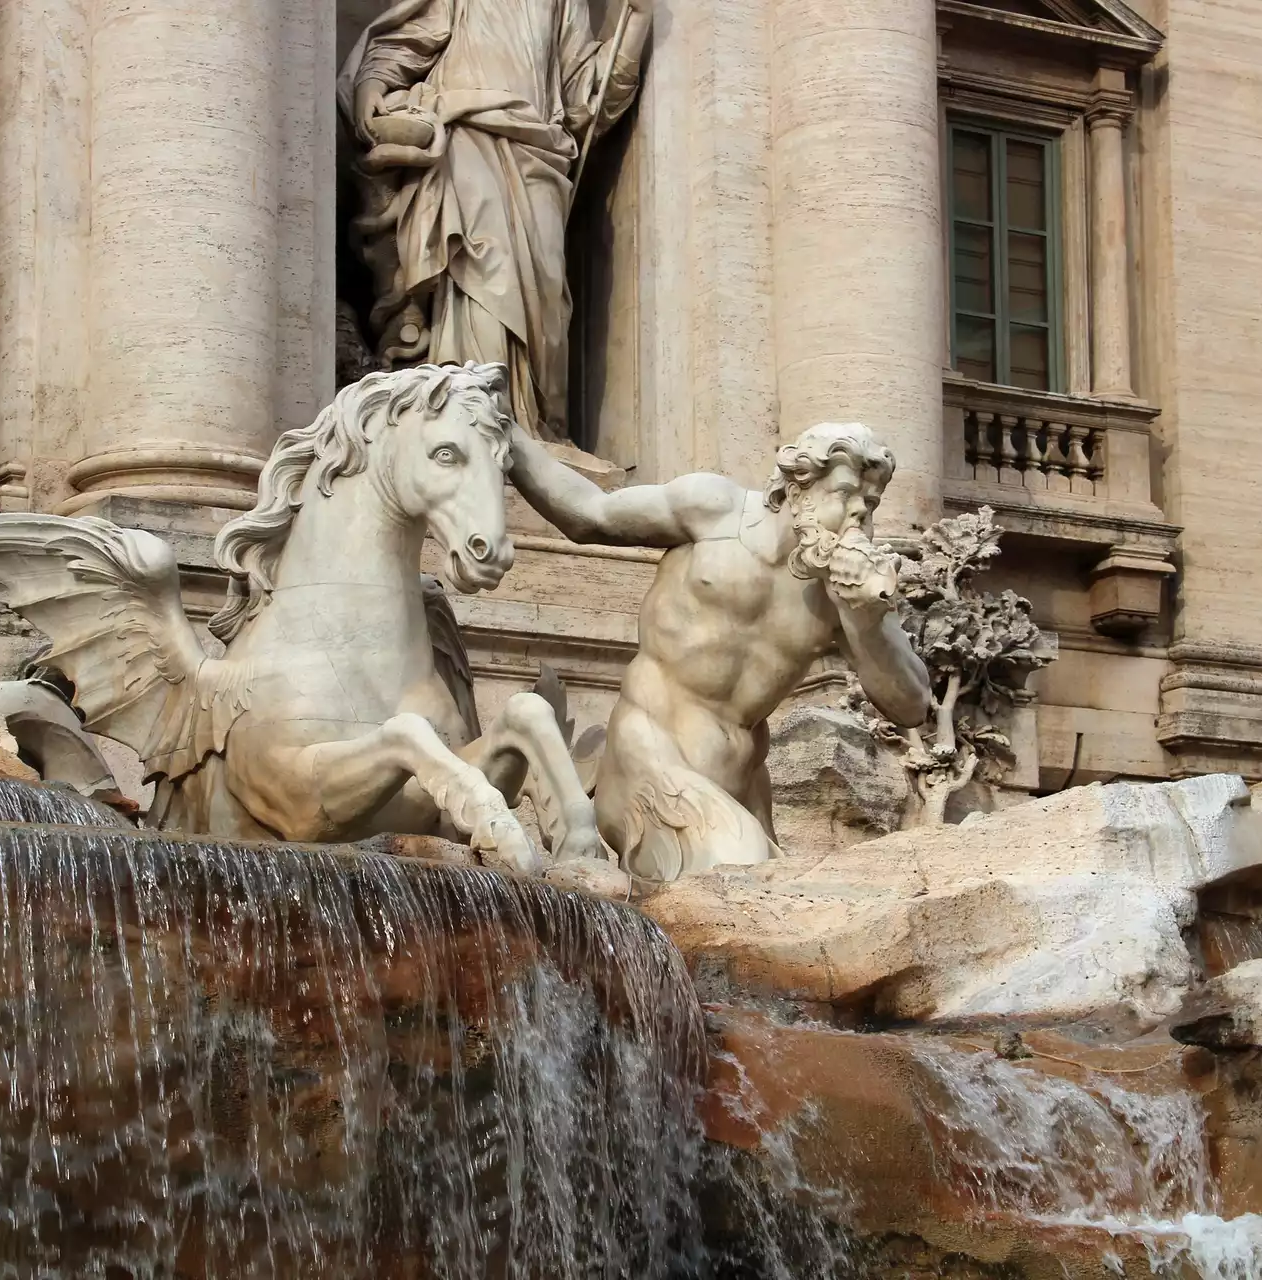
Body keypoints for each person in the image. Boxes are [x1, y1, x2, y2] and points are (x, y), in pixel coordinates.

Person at [509, 421, 932, 880]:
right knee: (744, 874)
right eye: (845, 493)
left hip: (743, 790)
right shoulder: (714, 509)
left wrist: (865, 622)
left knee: (778, 901)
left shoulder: (846, 594)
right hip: (649, 756)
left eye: (871, 503)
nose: (859, 514)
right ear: (798, 488)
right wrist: (506, 433)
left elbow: (911, 705)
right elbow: (590, 515)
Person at [340, 0, 652, 441]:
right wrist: (373, 83)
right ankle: (469, 421)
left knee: (543, 293)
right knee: (481, 270)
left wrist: (635, 20)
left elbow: (586, 97)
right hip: (466, 135)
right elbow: (408, 38)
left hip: (540, 155)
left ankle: (529, 426)